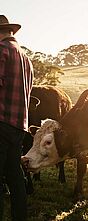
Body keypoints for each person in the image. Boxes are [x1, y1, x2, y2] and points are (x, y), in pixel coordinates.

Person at [0, 15, 33, 221]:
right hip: (18, 126)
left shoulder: (1, 50)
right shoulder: (26, 58)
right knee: (14, 177)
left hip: (0, 122)